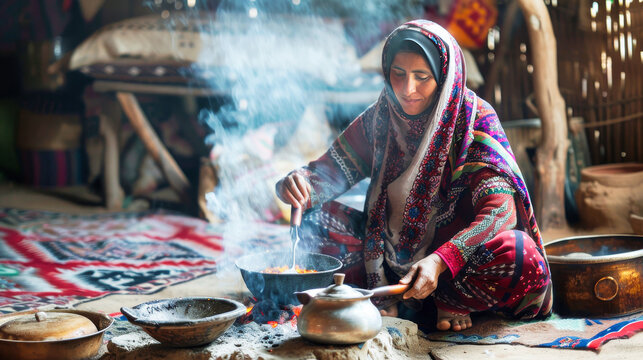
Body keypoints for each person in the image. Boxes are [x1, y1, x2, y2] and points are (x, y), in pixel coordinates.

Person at [276, 19, 552, 332]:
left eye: (422, 77)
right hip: (382, 264)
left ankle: (450, 301)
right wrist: (297, 183)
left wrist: (441, 260)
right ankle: (386, 296)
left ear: (445, 76)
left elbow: (501, 212)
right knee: (317, 220)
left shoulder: (475, 121)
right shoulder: (380, 118)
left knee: (521, 255)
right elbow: (327, 174)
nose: (408, 89)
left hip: (457, 270)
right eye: (398, 74)